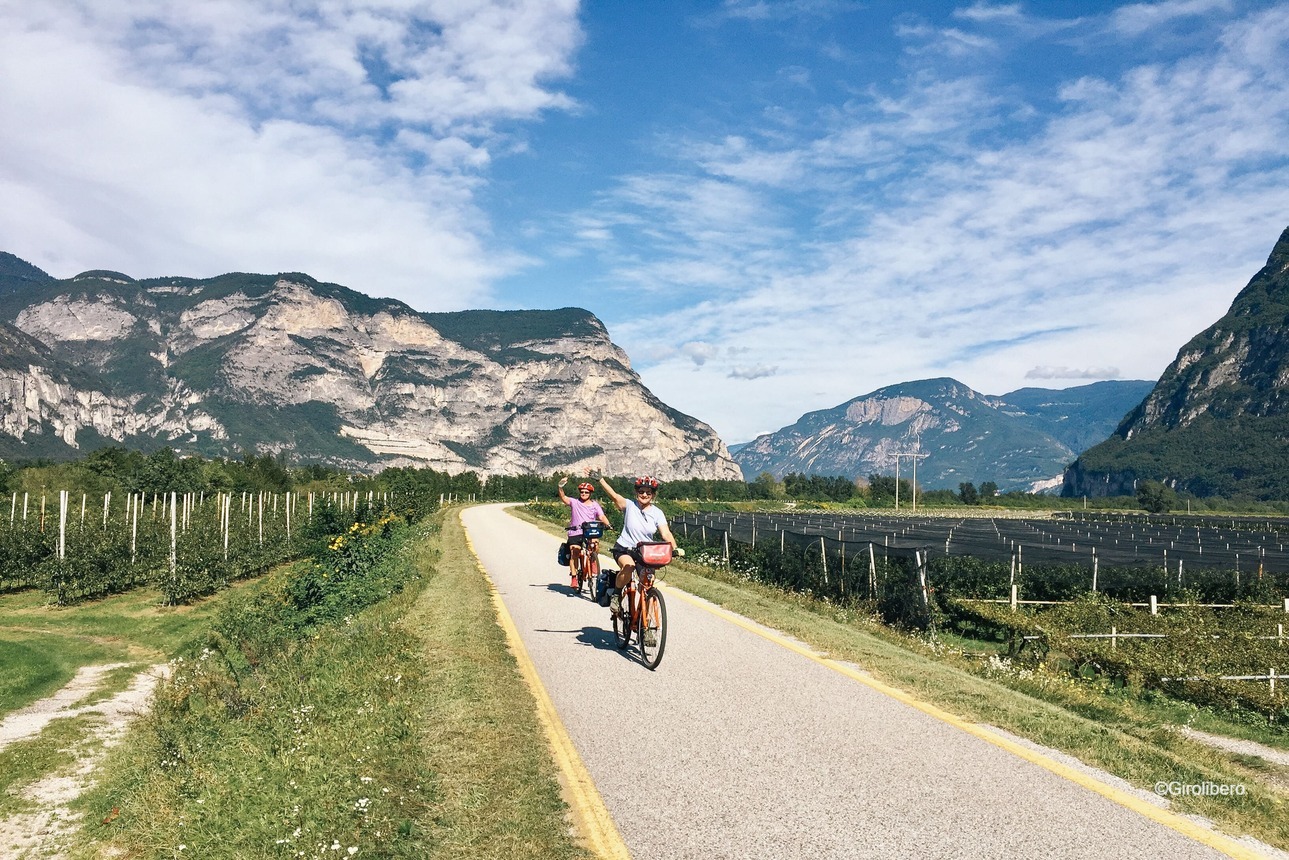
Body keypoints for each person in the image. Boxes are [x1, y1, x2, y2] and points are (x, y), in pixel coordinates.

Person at [598, 475, 678, 635]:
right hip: (624, 548)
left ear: (653, 495)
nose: (645, 495)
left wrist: (674, 548)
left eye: (648, 492)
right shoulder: (629, 505)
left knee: (647, 585)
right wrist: (600, 480)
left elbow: (666, 533)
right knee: (629, 566)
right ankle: (616, 595)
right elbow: (614, 495)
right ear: (636, 492)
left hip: (645, 552)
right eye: (641, 491)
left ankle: (645, 626)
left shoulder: (657, 513)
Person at [557, 476, 611, 588]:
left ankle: (593, 560)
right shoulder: (575, 502)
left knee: (595, 544)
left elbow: (601, 516)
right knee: (575, 551)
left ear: (590, 493)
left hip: (590, 531)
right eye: (582, 492)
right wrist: (560, 487)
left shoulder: (594, 505)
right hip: (575, 531)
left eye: (586, 492)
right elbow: (563, 497)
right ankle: (574, 577)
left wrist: (608, 525)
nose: (584, 494)